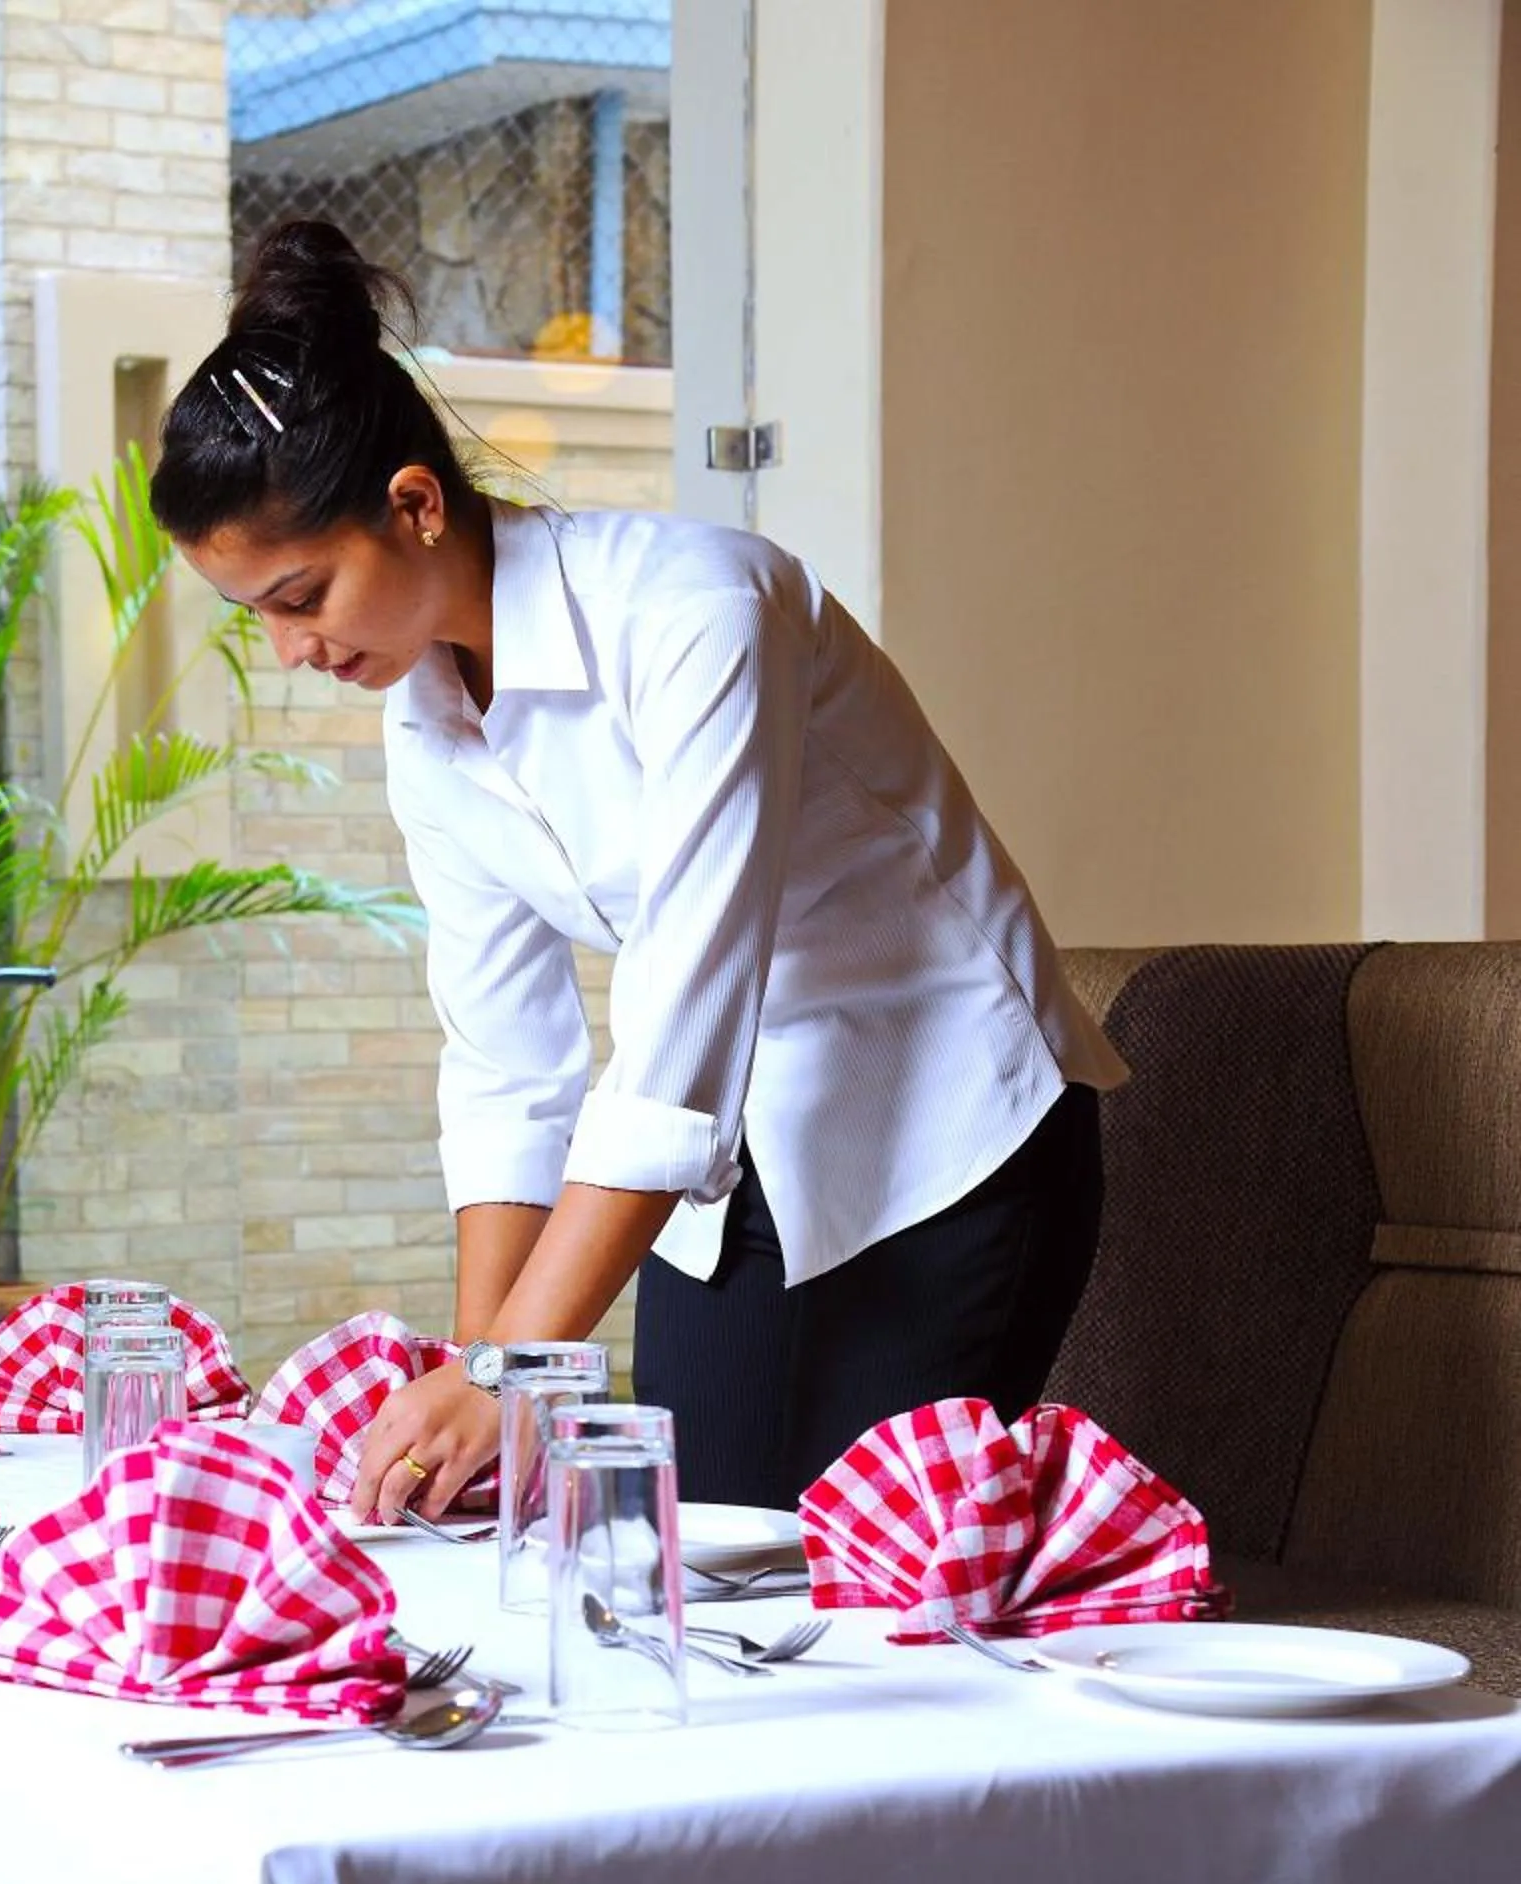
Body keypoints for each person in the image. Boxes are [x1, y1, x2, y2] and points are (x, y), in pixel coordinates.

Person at [152, 220, 1127, 1518]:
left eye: (302, 593)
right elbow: (508, 1066)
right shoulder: (428, 722)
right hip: (726, 1173)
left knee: (858, 1584)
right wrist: (477, 1382)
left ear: (415, 504)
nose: (288, 650)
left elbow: (682, 1006)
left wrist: (513, 1373)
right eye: (257, 615)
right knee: (681, 1557)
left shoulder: (700, 611)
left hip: (946, 1131)